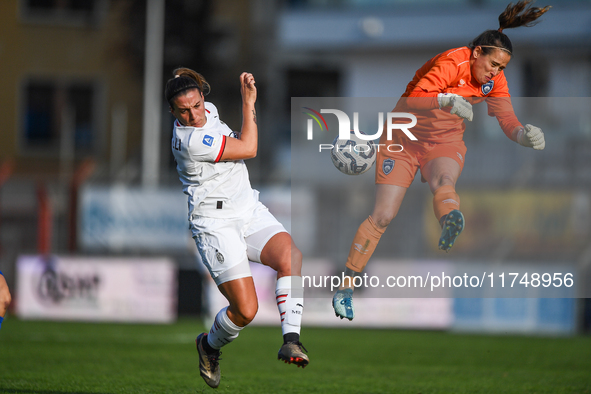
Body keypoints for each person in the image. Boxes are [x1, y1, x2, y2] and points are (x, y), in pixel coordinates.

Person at [332, 0, 550, 321]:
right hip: (402, 138)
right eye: (493, 65)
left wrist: (522, 135)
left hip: (444, 142)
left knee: (443, 182)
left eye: (501, 69)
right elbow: (413, 99)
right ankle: (346, 288)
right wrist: (447, 99)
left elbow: (506, 118)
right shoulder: (451, 63)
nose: (495, 73)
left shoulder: (492, 81)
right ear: (477, 53)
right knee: (382, 216)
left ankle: (449, 221)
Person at [165, 68, 308, 388]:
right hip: (215, 225)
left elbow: (188, 87)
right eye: (183, 110)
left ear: (204, 98)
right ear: (172, 112)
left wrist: (181, 76)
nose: (193, 115)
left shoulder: (207, 111)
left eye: (197, 105)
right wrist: (248, 102)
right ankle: (208, 345)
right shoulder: (190, 141)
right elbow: (249, 148)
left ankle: (292, 339)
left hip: (248, 210)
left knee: (290, 255)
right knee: (245, 311)